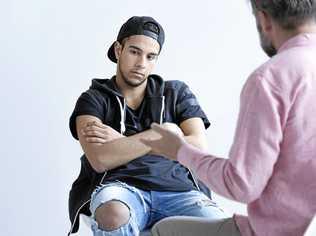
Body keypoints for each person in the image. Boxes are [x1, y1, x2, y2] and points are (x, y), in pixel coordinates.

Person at [141, 1, 316, 236]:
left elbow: (242, 184)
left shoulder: (271, 78)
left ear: (264, 19)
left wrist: (179, 151)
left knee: (163, 230)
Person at [67, 16, 226, 236]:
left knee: (220, 226)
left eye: (151, 56)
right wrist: (165, 136)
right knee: (112, 214)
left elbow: (197, 146)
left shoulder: (176, 93)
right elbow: (100, 159)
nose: (142, 63)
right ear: (118, 49)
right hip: (121, 189)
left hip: (180, 191)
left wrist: (122, 143)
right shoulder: (93, 99)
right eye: (134, 52)